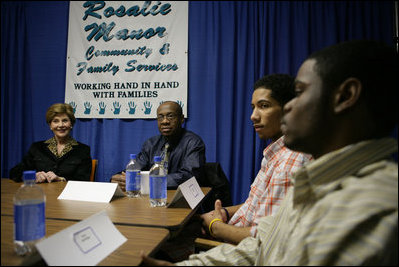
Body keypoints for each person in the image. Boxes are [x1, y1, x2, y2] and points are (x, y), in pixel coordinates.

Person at [141, 40, 398, 265]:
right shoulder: (317, 180)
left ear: (345, 96)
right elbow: (266, 248)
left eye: (299, 93)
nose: (289, 108)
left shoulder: (377, 205)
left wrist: (214, 225)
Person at [200, 74, 312, 245]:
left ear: (289, 109)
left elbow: (264, 240)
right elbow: (257, 205)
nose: (253, 116)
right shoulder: (275, 153)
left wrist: (215, 226)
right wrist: (224, 212)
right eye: (253, 107)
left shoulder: (289, 163)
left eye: (264, 106)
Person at [111, 101, 206, 189]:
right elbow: (136, 167)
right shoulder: (151, 144)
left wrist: (149, 181)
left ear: (181, 119)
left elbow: (189, 177)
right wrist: (120, 178)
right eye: (160, 117)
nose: (165, 121)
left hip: (182, 198)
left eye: (170, 116)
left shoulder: (193, 143)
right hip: (153, 197)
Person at [10, 103, 92, 183]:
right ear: (50, 125)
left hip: (67, 195)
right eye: (55, 121)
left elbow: (84, 180)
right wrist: (33, 176)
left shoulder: (83, 150)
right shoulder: (37, 148)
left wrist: (60, 179)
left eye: (65, 120)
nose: (60, 125)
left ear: (71, 124)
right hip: (42, 194)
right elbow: (14, 172)